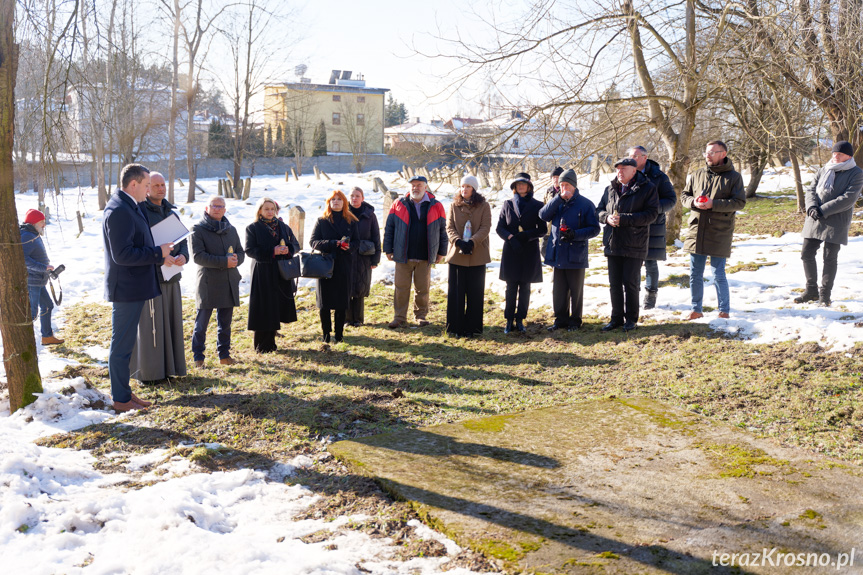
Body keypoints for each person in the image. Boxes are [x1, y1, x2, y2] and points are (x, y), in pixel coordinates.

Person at [103, 163, 173, 412]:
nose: (149, 190)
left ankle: (125, 393)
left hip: (134, 286)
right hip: (126, 288)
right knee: (121, 345)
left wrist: (160, 251)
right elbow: (122, 255)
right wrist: (157, 253)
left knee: (126, 344)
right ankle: (120, 399)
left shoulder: (131, 205)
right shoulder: (119, 210)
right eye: (146, 185)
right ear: (133, 184)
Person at [130, 173, 188, 384]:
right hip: (151, 277)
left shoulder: (171, 213)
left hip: (172, 278)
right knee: (151, 326)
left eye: (163, 184)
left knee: (171, 323)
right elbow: (138, 245)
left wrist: (183, 256)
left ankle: (171, 368)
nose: (160, 188)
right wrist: (159, 259)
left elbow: (182, 242)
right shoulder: (140, 212)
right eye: (155, 185)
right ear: (147, 188)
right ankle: (150, 373)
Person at [680, 140, 746, 320]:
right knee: (695, 273)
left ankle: (724, 311)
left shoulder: (734, 177)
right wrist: (693, 202)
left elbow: (739, 202)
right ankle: (696, 309)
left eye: (712, 152)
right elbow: (685, 196)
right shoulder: (697, 174)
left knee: (718, 273)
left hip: (720, 230)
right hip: (697, 229)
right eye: (706, 152)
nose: (707, 155)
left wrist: (713, 204)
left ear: (723, 154)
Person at [795, 140, 863, 307]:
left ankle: (825, 295)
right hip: (815, 217)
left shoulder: (856, 173)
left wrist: (823, 210)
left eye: (839, 153)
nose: (835, 156)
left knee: (829, 257)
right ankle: (811, 291)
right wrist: (811, 207)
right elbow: (811, 189)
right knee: (807, 253)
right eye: (834, 153)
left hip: (836, 221)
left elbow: (848, 199)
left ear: (848, 156)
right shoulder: (824, 169)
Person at [597, 158, 659, 332]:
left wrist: (624, 219)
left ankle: (631, 319)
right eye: (618, 168)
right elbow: (598, 210)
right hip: (613, 241)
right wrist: (606, 218)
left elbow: (651, 214)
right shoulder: (610, 189)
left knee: (630, 283)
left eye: (624, 168)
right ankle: (616, 318)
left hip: (635, 242)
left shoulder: (647, 188)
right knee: (614, 283)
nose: (620, 172)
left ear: (634, 171)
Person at [382, 175, 447, 328]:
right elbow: (389, 228)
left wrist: (441, 251)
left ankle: (421, 316)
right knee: (401, 288)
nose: (415, 188)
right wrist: (387, 248)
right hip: (403, 254)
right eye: (413, 185)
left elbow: (442, 230)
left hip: (425, 255)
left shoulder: (436, 205)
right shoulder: (398, 204)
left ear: (426, 187)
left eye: (419, 185)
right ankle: (399, 317)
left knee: (422, 289)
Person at [539, 169, 600, 331]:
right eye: (561, 185)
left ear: (573, 186)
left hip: (575, 253)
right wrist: (557, 199)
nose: (563, 188)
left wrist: (575, 235)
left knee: (576, 290)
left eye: (566, 185)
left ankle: (575, 320)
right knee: (559, 290)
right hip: (557, 252)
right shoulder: (556, 202)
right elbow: (543, 215)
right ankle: (560, 319)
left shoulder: (585, 204)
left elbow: (594, 229)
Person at [190, 196, 245, 366]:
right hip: (208, 282)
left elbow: (240, 252)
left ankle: (224, 356)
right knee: (202, 324)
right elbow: (198, 257)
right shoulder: (197, 229)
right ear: (207, 208)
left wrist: (237, 259)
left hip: (228, 281)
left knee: (225, 323)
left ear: (225, 209)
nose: (217, 209)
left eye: (221, 206)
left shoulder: (231, 229)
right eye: (214, 206)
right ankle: (198, 358)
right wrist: (224, 262)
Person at [245, 197, 300, 352]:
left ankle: (271, 343)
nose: (270, 212)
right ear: (260, 211)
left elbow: (295, 245)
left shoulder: (282, 226)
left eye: (272, 209)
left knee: (275, 306)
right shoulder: (253, 228)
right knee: (263, 307)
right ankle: (261, 345)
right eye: (266, 209)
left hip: (280, 271)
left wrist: (288, 250)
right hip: (263, 271)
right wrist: (272, 251)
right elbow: (250, 250)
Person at [627, 146, 677, 310]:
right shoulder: (626, 174)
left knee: (650, 262)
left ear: (645, 157)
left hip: (652, 225)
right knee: (631, 263)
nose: (631, 158)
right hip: (631, 224)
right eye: (629, 155)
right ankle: (632, 294)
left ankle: (650, 295)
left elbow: (670, 200)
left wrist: (652, 208)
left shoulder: (658, 176)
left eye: (635, 155)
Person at [497, 172, 548, 333]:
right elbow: (500, 227)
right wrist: (511, 238)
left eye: (523, 184)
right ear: (514, 187)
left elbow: (542, 229)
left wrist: (526, 235)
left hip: (529, 250)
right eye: (517, 184)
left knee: (525, 287)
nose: (520, 187)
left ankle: (520, 320)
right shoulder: (508, 204)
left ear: (529, 186)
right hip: (511, 250)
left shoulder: (538, 205)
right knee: (511, 286)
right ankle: (509, 320)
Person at [310, 190, 359, 343]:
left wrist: (348, 247)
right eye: (333, 200)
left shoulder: (352, 221)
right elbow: (313, 242)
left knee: (341, 302)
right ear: (329, 203)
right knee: (324, 303)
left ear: (344, 202)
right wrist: (332, 243)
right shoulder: (322, 221)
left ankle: (339, 335)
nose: (336, 202)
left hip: (344, 264)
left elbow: (357, 242)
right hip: (325, 265)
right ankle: (326, 334)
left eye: (339, 199)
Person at [446, 174, 492, 337]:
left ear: (474, 189)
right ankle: (455, 327)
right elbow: (449, 226)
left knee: (475, 292)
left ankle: (473, 328)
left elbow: (486, 227)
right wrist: (458, 242)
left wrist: (472, 242)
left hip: (477, 253)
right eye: (462, 186)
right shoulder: (453, 205)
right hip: (457, 253)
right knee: (456, 292)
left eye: (468, 187)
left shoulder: (484, 206)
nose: (464, 189)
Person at [20, 209, 63, 345]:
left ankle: (47, 336)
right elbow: (23, 260)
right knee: (31, 313)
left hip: (38, 280)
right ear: (34, 223)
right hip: (32, 281)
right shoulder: (27, 236)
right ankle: (22, 342)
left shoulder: (33, 234)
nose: (44, 225)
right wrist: (43, 267)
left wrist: (46, 268)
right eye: (42, 222)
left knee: (47, 306)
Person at [346, 187, 381, 326]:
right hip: (347, 254)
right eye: (352, 195)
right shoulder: (343, 213)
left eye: (357, 196)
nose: (354, 198)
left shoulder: (369, 215)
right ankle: (347, 319)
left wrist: (376, 258)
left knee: (360, 287)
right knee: (347, 286)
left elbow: (376, 236)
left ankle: (358, 319)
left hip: (364, 256)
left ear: (363, 198)